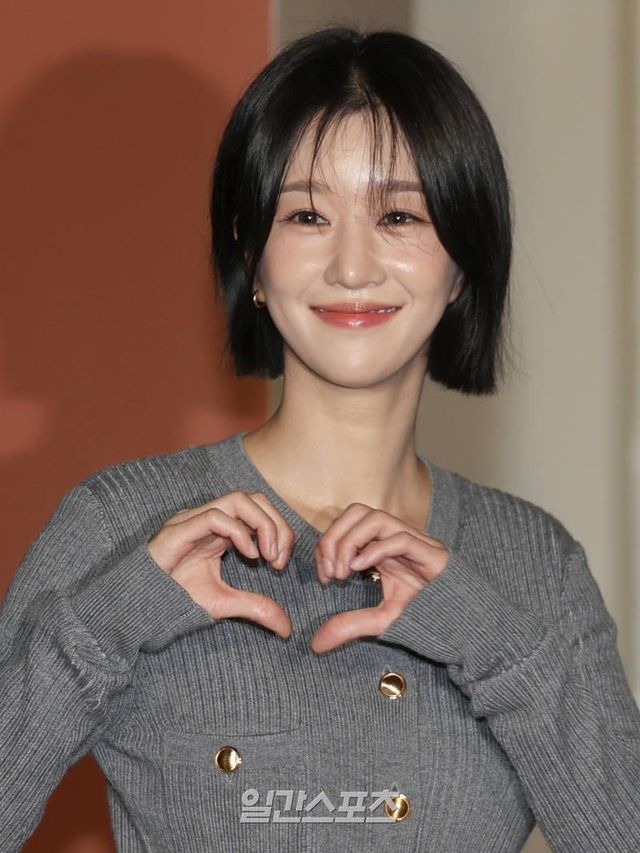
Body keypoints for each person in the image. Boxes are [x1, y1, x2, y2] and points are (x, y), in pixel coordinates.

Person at [1, 25, 639, 853]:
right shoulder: (120, 524)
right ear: (252, 253)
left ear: (463, 262)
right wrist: (110, 622)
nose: (352, 266)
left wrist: (487, 636)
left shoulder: (533, 564)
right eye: (307, 214)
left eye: (399, 214)